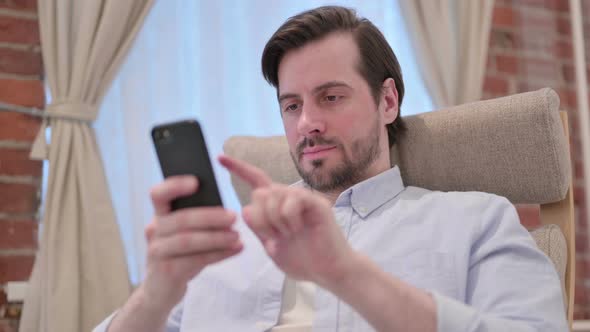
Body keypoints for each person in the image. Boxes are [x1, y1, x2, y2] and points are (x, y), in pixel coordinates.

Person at [94, 5, 567, 332]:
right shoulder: (228, 243)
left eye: (331, 97)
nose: (307, 123)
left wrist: (344, 273)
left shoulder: (475, 220)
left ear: (387, 101)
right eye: (291, 105)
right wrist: (157, 290)